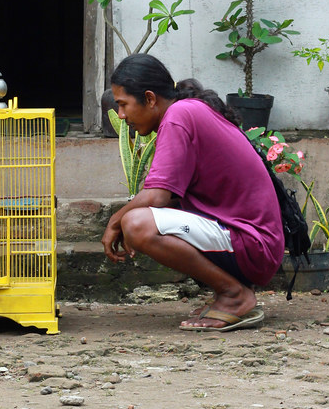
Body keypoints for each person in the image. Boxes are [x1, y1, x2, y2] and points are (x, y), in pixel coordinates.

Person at [101, 55, 284, 331]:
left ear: (149, 99)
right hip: (253, 242)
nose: (121, 115)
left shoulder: (178, 116)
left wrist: (115, 221)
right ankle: (229, 292)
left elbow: (157, 196)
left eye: (123, 104)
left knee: (136, 224)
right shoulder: (188, 111)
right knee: (144, 217)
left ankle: (235, 295)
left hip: (253, 244)